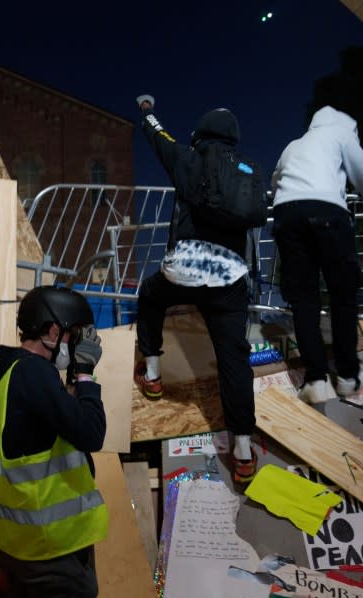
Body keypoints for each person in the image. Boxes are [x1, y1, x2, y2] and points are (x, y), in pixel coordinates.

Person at [133, 93, 258, 483]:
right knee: (234, 361)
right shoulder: (247, 170)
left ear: (201, 134)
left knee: (151, 296)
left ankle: (152, 373)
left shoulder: (188, 158)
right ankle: (242, 452)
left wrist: (148, 112)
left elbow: (159, 138)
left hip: (184, 269)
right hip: (229, 278)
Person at [0, 286, 108, 598]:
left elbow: (66, 427)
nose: (76, 344)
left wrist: (74, 375)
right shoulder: (34, 373)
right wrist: (86, 374)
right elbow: (90, 433)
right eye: (73, 336)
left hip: (22, 545)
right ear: (53, 331)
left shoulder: (11, 372)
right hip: (53, 548)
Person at [270, 105, 363, 405]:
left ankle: (316, 379)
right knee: (343, 294)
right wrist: (361, 193)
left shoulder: (293, 145)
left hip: (286, 215)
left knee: (304, 299)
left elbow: (274, 180)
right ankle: (348, 375)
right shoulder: (342, 134)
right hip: (327, 212)